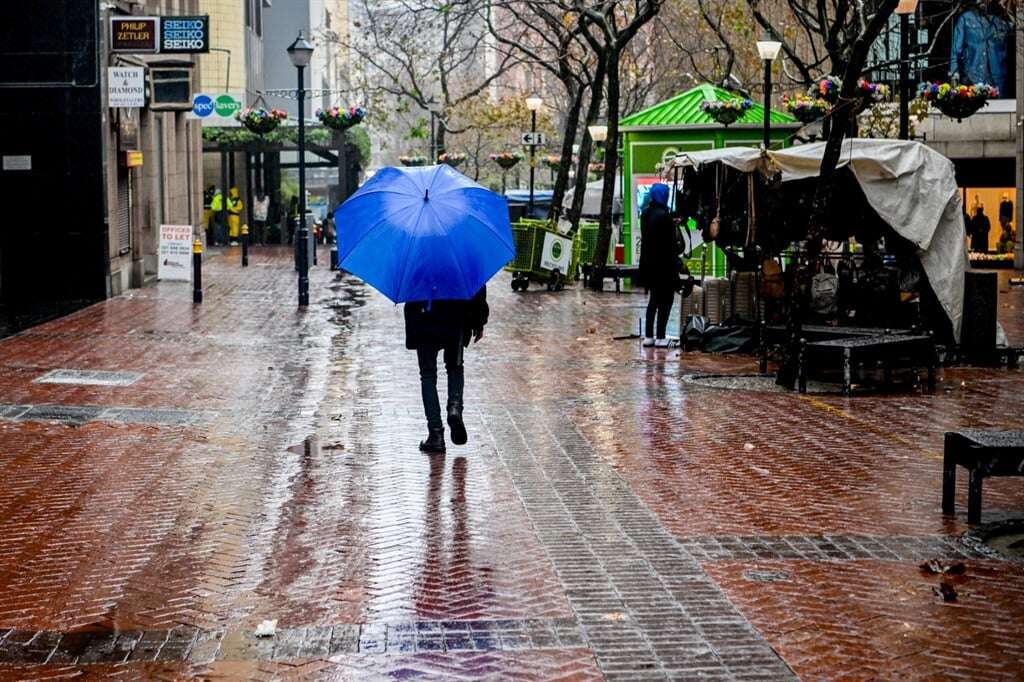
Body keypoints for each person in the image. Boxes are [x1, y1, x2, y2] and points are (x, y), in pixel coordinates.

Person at [405, 287, 488, 453]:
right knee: (455, 367)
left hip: (424, 314)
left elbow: (408, 287)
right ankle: (455, 408)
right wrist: (479, 321)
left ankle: (436, 434)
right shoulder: (462, 260)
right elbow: (476, 284)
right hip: (455, 314)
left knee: (428, 375)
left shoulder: (414, 260)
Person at [638, 183, 682, 348]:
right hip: (664, 266)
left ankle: (649, 336)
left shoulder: (645, 214)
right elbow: (671, 245)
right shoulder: (665, 217)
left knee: (653, 300)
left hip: (649, 265)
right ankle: (661, 336)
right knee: (667, 300)